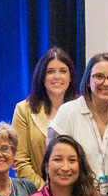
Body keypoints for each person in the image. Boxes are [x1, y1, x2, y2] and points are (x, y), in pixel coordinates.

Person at [44, 53, 108, 196]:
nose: (106, 83)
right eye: (99, 76)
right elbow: (54, 163)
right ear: (87, 80)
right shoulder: (68, 112)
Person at [11, 47, 79, 188]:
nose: (57, 76)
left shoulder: (82, 108)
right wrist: (46, 192)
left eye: (63, 71)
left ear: (71, 76)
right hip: (40, 195)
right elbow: (20, 161)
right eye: (50, 71)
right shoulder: (23, 110)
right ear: (42, 77)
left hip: (78, 193)